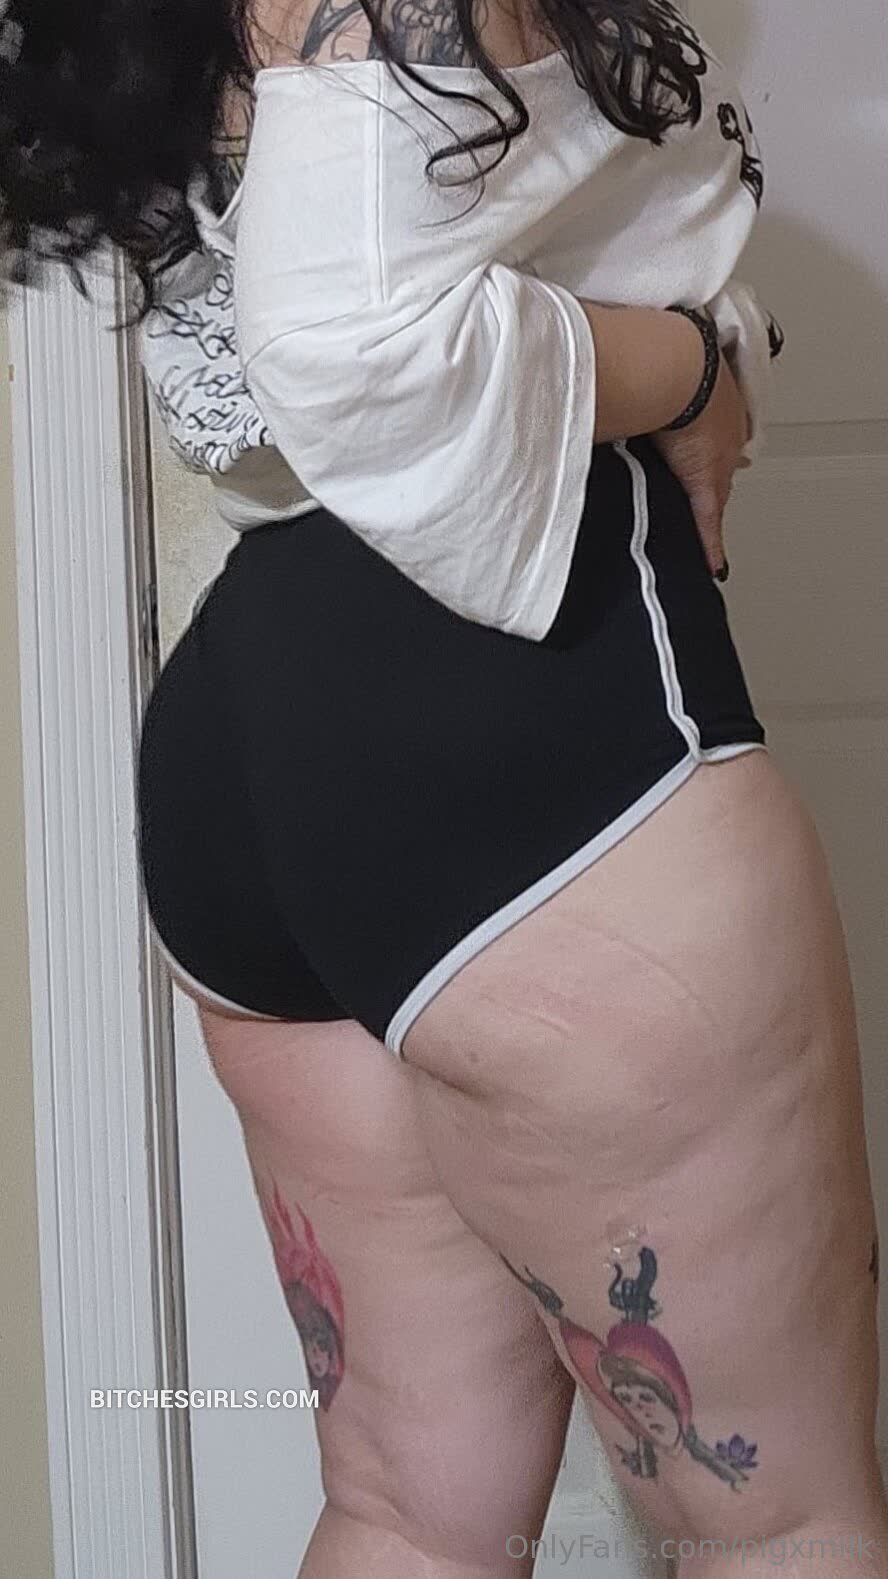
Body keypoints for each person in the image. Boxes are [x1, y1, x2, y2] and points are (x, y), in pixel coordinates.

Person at [2, 3, 885, 1576]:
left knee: (408, 1515)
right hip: (530, 725)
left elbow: (286, 342)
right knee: (781, 1526)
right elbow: (351, 350)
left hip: (261, 728)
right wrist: (695, 369)